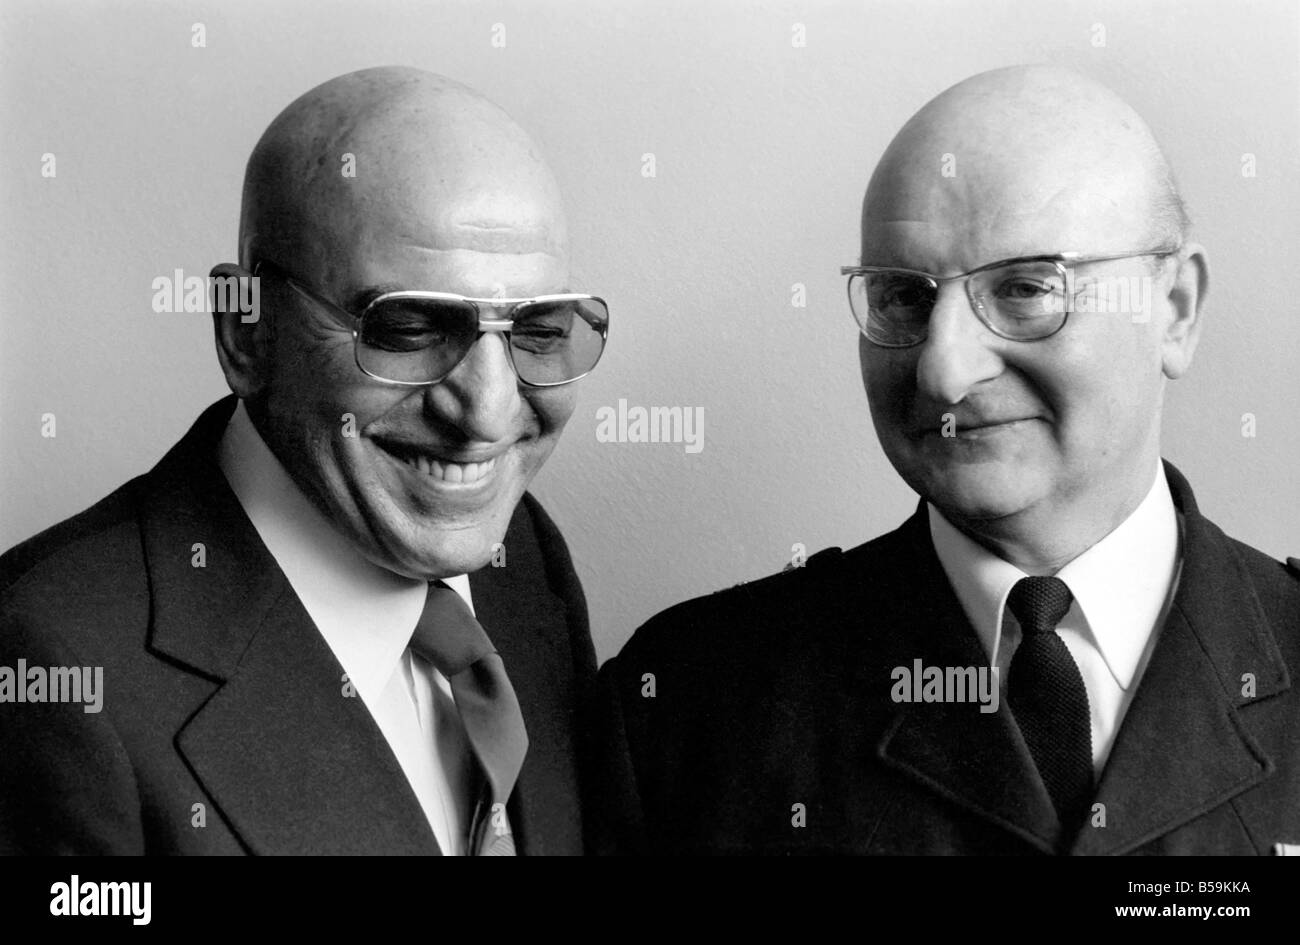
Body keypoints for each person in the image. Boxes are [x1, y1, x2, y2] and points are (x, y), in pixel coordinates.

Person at [590, 65, 1299, 855]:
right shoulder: (690, 705)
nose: (943, 369)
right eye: (903, 297)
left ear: (1175, 309)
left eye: (1027, 288)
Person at [0, 66, 609, 855]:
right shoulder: (50, 673)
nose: (488, 413)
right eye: (411, 327)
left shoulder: (525, 559)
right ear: (245, 331)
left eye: (537, 330)